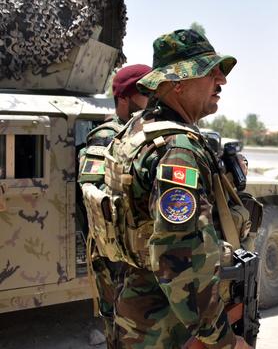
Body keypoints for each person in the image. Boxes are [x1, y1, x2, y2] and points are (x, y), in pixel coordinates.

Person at [94, 29, 252, 349]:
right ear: (178, 83)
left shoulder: (134, 132)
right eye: (209, 72)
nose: (221, 81)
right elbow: (180, 257)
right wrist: (223, 340)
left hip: (130, 314)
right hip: (166, 329)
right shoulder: (178, 149)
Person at [77, 64, 151, 349]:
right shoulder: (107, 136)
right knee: (122, 325)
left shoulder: (141, 131)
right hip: (115, 256)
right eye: (144, 94)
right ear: (124, 99)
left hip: (134, 253)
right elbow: (93, 200)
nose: (151, 100)